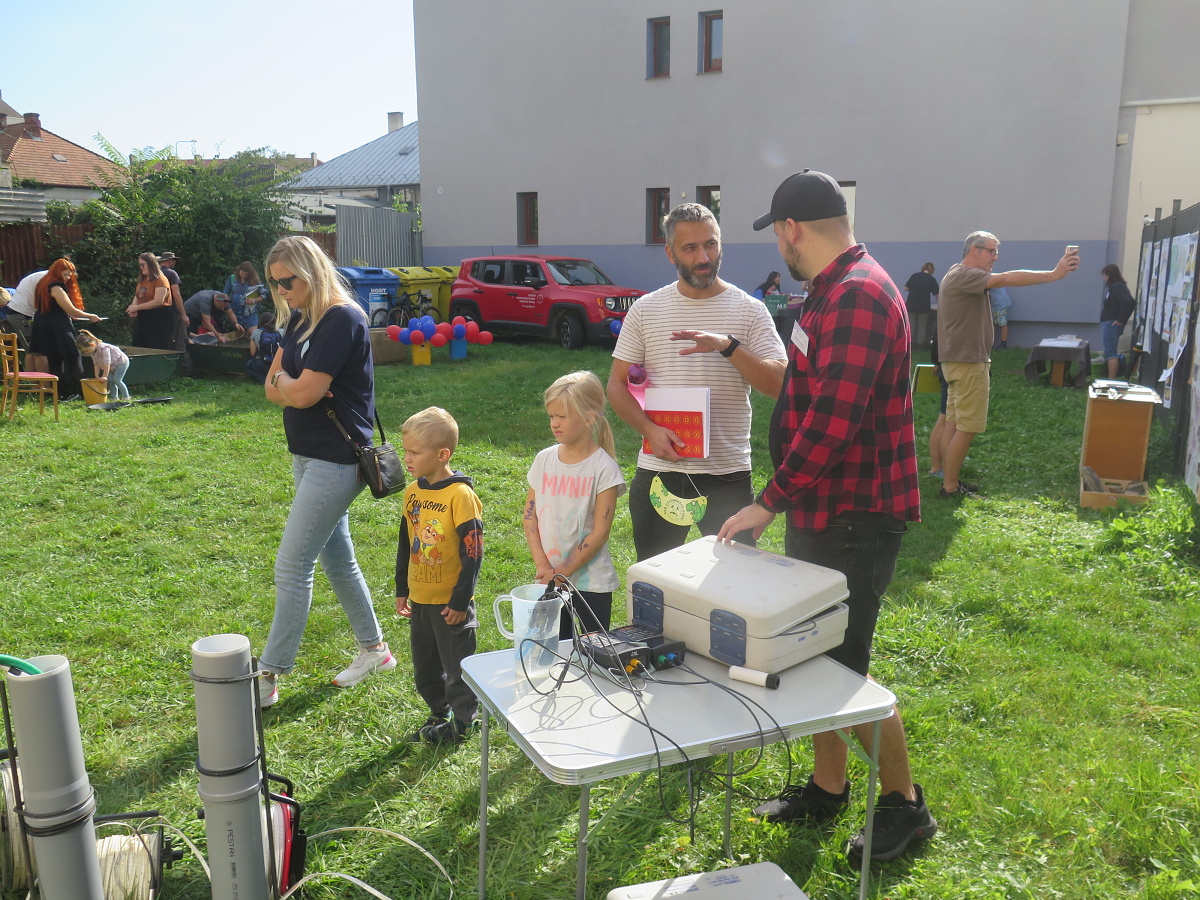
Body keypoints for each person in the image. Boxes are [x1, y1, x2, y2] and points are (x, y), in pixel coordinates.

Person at [718, 169, 930, 862]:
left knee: (843, 669)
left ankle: (905, 806)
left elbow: (833, 422)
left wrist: (766, 502)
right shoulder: (829, 291)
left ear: (792, 229)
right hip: (823, 506)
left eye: (777, 234)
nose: (779, 246)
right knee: (813, 654)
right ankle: (828, 786)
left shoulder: (860, 295)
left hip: (856, 514)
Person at [607, 202, 787, 561]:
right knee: (656, 583)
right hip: (660, 471)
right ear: (670, 253)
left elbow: (782, 385)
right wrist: (649, 429)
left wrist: (728, 347)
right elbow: (616, 385)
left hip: (727, 475)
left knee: (732, 582)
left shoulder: (749, 310)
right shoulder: (647, 309)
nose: (704, 257)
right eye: (690, 248)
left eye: (711, 244)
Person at [258, 235, 394, 708]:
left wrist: (288, 383)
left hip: (337, 459)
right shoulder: (300, 318)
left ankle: (268, 674)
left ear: (312, 272)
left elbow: (303, 394)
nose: (281, 291)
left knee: (292, 566)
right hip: (306, 455)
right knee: (338, 559)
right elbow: (274, 389)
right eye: (274, 283)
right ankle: (375, 650)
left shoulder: (342, 319)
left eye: (287, 281)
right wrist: (289, 383)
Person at [938, 232, 1079, 498]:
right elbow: (1005, 278)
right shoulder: (966, 275)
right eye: (991, 251)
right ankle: (950, 486)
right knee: (966, 428)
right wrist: (1053, 274)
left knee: (954, 424)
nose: (995, 257)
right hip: (969, 364)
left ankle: (949, 479)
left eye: (996, 252)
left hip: (957, 362)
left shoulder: (958, 274)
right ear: (973, 250)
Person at [395, 406, 485, 745]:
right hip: (420, 597)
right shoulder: (413, 491)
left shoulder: (460, 496)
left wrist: (460, 601)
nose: (407, 458)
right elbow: (406, 541)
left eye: (415, 452)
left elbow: (473, 552)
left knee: (457, 666)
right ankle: (439, 711)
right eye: (406, 450)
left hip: (450, 603)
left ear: (442, 454)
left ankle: (464, 722)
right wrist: (402, 587)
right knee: (426, 667)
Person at [524, 371, 626, 639]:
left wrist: (562, 573)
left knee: (595, 651)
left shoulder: (604, 469)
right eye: (551, 416)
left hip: (591, 584)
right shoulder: (543, 460)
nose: (554, 423)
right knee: (555, 650)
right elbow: (530, 516)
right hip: (549, 579)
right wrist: (544, 568)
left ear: (589, 418)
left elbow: (600, 533)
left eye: (562, 416)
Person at [30, 259, 102, 399]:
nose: (68, 277)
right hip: (56, 325)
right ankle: (82, 392)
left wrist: (65, 313)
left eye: (70, 274)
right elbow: (71, 310)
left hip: (43, 322)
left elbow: (52, 306)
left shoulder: (43, 283)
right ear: (57, 272)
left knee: (54, 358)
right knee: (73, 355)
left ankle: (61, 393)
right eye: (65, 274)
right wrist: (90, 316)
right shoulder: (56, 286)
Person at [126, 253, 175, 350]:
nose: (141, 267)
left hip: (160, 317)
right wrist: (134, 306)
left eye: (143, 265)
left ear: (151, 264)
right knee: (139, 344)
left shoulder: (161, 280)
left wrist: (137, 307)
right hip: (145, 316)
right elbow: (139, 296)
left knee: (157, 346)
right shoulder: (143, 280)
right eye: (140, 265)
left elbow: (158, 301)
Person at [1100, 264, 1136, 379]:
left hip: (1111, 323)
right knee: (1110, 351)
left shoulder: (1116, 287)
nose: (1104, 278)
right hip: (1110, 322)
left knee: (1110, 353)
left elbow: (1128, 302)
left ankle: (1111, 379)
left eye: (1105, 275)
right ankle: (1111, 378)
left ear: (1109, 275)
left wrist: (1121, 320)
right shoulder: (1117, 286)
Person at [75, 329, 131, 401]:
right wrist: (97, 376)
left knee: (117, 380)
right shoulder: (92, 352)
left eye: (87, 350)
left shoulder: (104, 348)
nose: (86, 353)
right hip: (112, 365)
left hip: (121, 363)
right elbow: (96, 364)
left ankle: (126, 397)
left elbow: (107, 363)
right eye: (84, 352)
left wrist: (104, 376)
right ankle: (114, 397)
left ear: (92, 345)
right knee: (110, 380)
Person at [903, 262, 939, 352]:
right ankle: (920, 347)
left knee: (911, 326)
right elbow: (937, 294)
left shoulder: (914, 276)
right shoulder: (931, 279)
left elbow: (906, 288)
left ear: (923, 268)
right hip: (924, 306)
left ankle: (909, 346)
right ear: (932, 270)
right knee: (922, 327)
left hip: (911, 305)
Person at [225, 261, 267, 333]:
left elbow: (263, 296)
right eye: (242, 273)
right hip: (235, 312)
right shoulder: (232, 278)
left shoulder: (255, 281)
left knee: (253, 334)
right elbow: (225, 294)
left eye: (246, 274)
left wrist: (254, 300)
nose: (243, 276)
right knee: (238, 335)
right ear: (238, 271)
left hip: (250, 313)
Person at [245, 312, 281, 384]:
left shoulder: (256, 332)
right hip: (279, 364)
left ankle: (263, 378)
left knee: (248, 364)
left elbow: (253, 353)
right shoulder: (281, 331)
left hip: (263, 364)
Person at [989, 285, 1012, 349]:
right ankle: (991, 343)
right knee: (993, 323)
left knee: (1003, 323)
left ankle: (1003, 344)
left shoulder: (989, 280)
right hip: (996, 303)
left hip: (1001, 303)